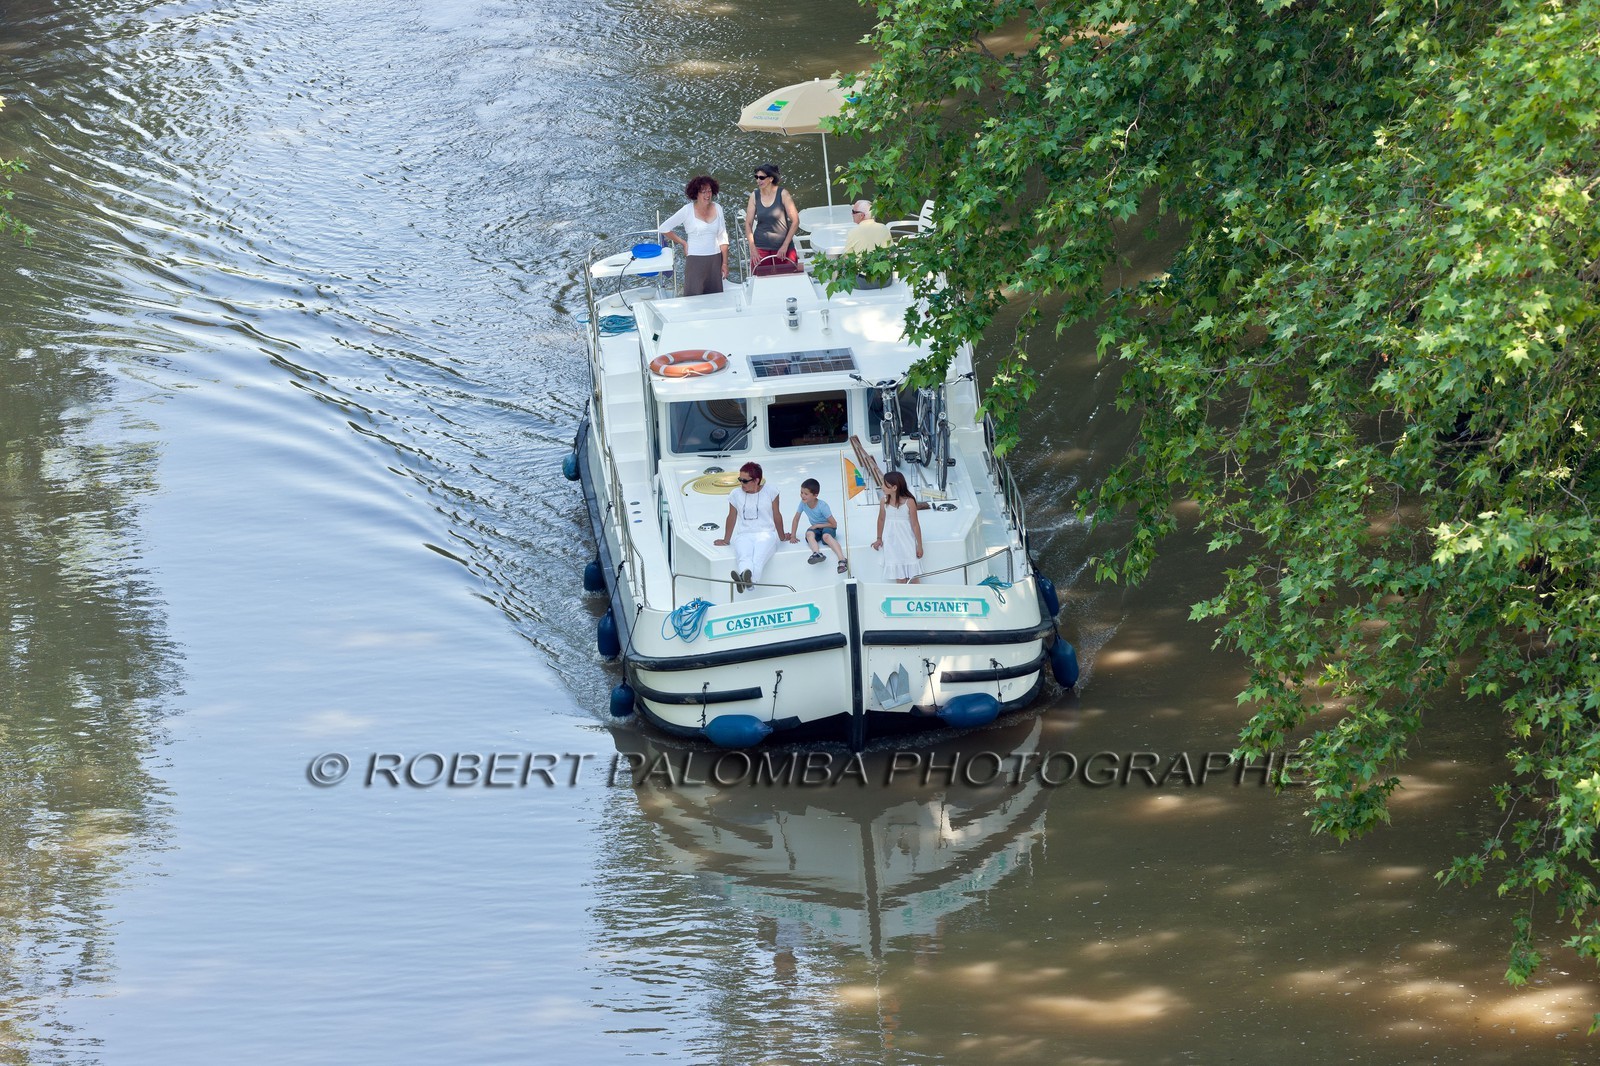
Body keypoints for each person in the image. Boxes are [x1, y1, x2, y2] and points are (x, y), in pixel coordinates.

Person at [713, 461, 784, 592]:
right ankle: (748, 582)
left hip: (766, 533)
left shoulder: (771, 491)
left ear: (756, 480)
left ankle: (746, 581)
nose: (741, 483)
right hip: (744, 534)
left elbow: (777, 515)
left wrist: (782, 536)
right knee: (744, 557)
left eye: (745, 481)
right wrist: (726, 540)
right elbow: (731, 517)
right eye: (740, 480)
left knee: (758, 557)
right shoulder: (735, 494)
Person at [658, 175, 729, 296]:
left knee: (715, 297)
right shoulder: (687, 210)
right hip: (695, 258)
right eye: (703, 192)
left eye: (709, 191)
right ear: (696, 193)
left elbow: (723, 237)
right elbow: (663, 228)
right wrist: (683, 242)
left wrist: (724, 263)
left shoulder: (718, 208)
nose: (707, 195)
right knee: (693, 297)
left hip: (715, 258)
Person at [745, 163, 800, 275]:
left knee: (788, 280)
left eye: (761, 177)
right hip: (760, 247)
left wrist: (785, 246)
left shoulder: (783, 194)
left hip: (783, 248)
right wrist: (753, 248)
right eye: (756, 177)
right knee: (761, 281)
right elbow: (748, 223)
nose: (758, 180)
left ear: (770, 178)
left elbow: (795, 221)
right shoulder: (754, 196)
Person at [786, 478, 847, 574]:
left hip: (828, 526)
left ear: (815, 495)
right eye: (801, 492)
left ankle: (842, 560)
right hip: (817, 528)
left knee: (826, 536)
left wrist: (817, 525)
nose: (802, 496)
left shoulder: (822, 506)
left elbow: (834, 523)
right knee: (809, 533)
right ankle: (816, 553)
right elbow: (796, 518)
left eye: (806, 494)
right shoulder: (802, 503)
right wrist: (793, 535)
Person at [871, 470, 923, 584]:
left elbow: (915, 524)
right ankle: (902, 600)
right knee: (899, 576)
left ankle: (917, 597)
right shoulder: (883, 501)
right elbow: (881, 519)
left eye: (885, 484)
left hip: (907, 541)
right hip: (891, 542)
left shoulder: (909, 502)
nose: (882, 486)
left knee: (913, 576)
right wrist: (879, 538)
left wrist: (919, 545)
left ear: (894, 487)